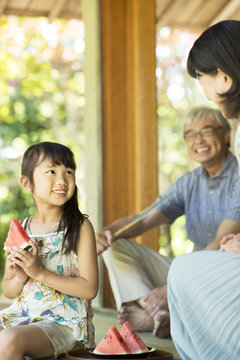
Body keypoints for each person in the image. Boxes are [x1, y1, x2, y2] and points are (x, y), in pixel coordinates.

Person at [96, 107, 240, 339]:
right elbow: (143, 220)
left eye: (206, 131)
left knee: (197, 273)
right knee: (115, 245)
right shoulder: (188, 183)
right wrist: (108, 231)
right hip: (189, 272)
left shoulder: (239, 177)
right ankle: (155, 312)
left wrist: (173, 288)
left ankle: (168, 313)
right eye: (190, 135)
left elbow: (219, 246)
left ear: (226, 135)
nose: (198, 140)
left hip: (223, 278)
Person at [167, 20, 240, 360]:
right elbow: (155, 211)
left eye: (202, 78)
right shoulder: (190, 181)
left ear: (224, 76)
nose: (204, 90)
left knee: (183, 269)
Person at [0, 142, 98, 360]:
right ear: (27, 183)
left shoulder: (80, 226)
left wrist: (40, 273)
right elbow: (8, 289)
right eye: (52, 171)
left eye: (69, 172)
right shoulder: (21, 228)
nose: (62, 180)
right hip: (23, 317)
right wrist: (20, 279)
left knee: (8, 339)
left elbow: (90, 288)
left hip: (65, 323)